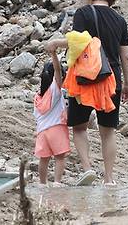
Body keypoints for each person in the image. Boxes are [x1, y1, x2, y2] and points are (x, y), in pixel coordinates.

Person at [45, 0, 128, 186]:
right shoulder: (120, 20)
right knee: (108, 132)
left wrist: (56, 42)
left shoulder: (83, 13)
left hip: (84, 79)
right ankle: (109, 179)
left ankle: (88, 168)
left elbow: (77, 42)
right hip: (111, 79)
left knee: (80, 127)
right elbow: (125, 56)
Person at [33, 52, 70, 185]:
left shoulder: (37, 97)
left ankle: (42, 183)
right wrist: (54, 54)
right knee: (59, 158)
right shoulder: (55, 91)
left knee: (44, 159)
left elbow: (36, 115)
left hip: (42, 132)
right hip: (56, 128)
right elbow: (58, 71)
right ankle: (57, 182)